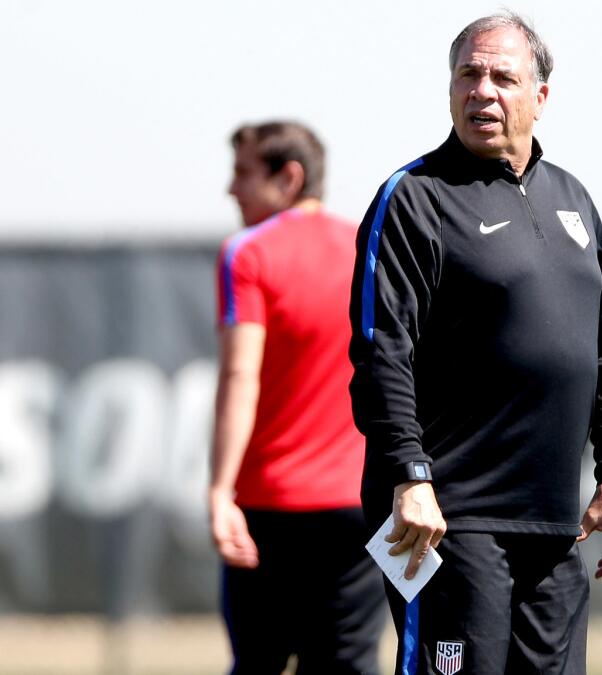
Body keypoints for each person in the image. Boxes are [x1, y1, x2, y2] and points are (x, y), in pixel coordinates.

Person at [347, 13, 602, 675]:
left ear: (541, 96)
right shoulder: (414, 197)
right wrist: (408, 477)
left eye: (503, 76)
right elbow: (379, 348)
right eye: (468, 75)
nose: (483, 91)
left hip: (555, 524)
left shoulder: (573, 198)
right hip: (446, 517)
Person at [212, 120, 386, 674]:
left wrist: (219, 492)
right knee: (349, 663)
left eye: (243, 173)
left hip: (270, 509)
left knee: (258, 662)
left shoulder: (248, 253)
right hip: (367, 507)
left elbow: (242, 374)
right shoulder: (372, 244)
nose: (230, 189)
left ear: (288, 177)